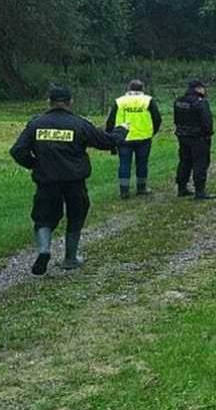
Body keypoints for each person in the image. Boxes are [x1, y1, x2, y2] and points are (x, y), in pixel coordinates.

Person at [10, 86, 128, 275]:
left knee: (43, 217)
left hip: (47, 181)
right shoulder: (79, 124)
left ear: (49, 102)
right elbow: (106, 142)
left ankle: (44, 250)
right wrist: (121, 131)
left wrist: (34, 164)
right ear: (70, 102)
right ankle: (70, 258)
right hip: (74, 181)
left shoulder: (35, 124)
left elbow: (17, 150)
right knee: (76, 215)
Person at [105, 79, 162, 199]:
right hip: (144, 138)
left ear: (128, 88)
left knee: (124, 164)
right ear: (142, 89)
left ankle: (124, 190)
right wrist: (152, 132)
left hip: (123, 137)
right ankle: (141, 188)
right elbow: (157, 118)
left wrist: (111, 139)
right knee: (142, 163)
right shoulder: (148, 100)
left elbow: (110, 121)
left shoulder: (119, 101)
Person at [174, 80, 214, 200]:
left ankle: (181, 187)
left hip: (182, 136)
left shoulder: (179, 101)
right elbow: (206, 120)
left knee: (184, 162)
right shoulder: (200, 102)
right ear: (198, 89)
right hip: (198, 137)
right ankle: (200, 191)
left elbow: (176, 119)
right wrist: (208, 133)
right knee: (200, 163)